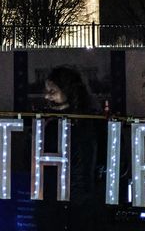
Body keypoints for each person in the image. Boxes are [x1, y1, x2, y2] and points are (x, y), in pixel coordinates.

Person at [34, 66, 103, 230]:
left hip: (78, 204)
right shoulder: (48, 123)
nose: (47, 96)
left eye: (52, 91)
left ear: (67, 91)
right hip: (58, 202)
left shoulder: (90, 122)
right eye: (47, 91)